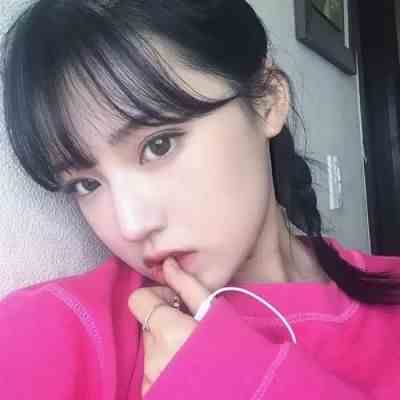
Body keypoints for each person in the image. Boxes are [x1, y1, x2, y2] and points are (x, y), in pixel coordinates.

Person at [0, 0, 399, 398]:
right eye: (86, 184)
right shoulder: (51, 335)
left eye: (159, 145)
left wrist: (244, 382)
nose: (131, 226)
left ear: (267, 101)